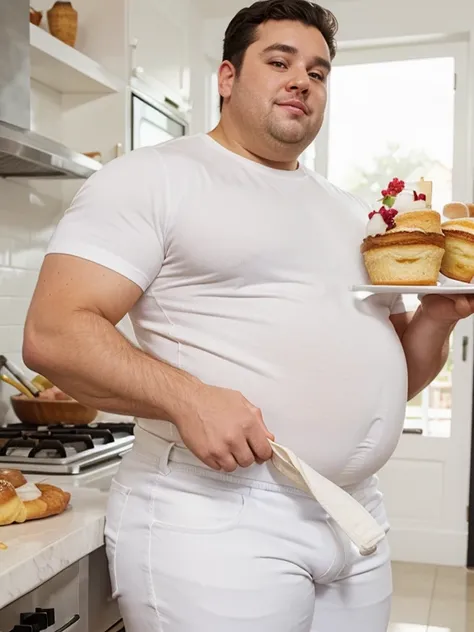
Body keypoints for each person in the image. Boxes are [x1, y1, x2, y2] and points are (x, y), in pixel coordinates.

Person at [22, 1, 474, 630]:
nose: (302, 81)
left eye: (318, 72)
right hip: (216, 518)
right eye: (279, 61)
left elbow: (392, 372)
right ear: (227, 78)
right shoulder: (153, 178)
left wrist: (438, 318)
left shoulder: (349, 213)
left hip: (351, 516)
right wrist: (189, 398)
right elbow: (53, 332)